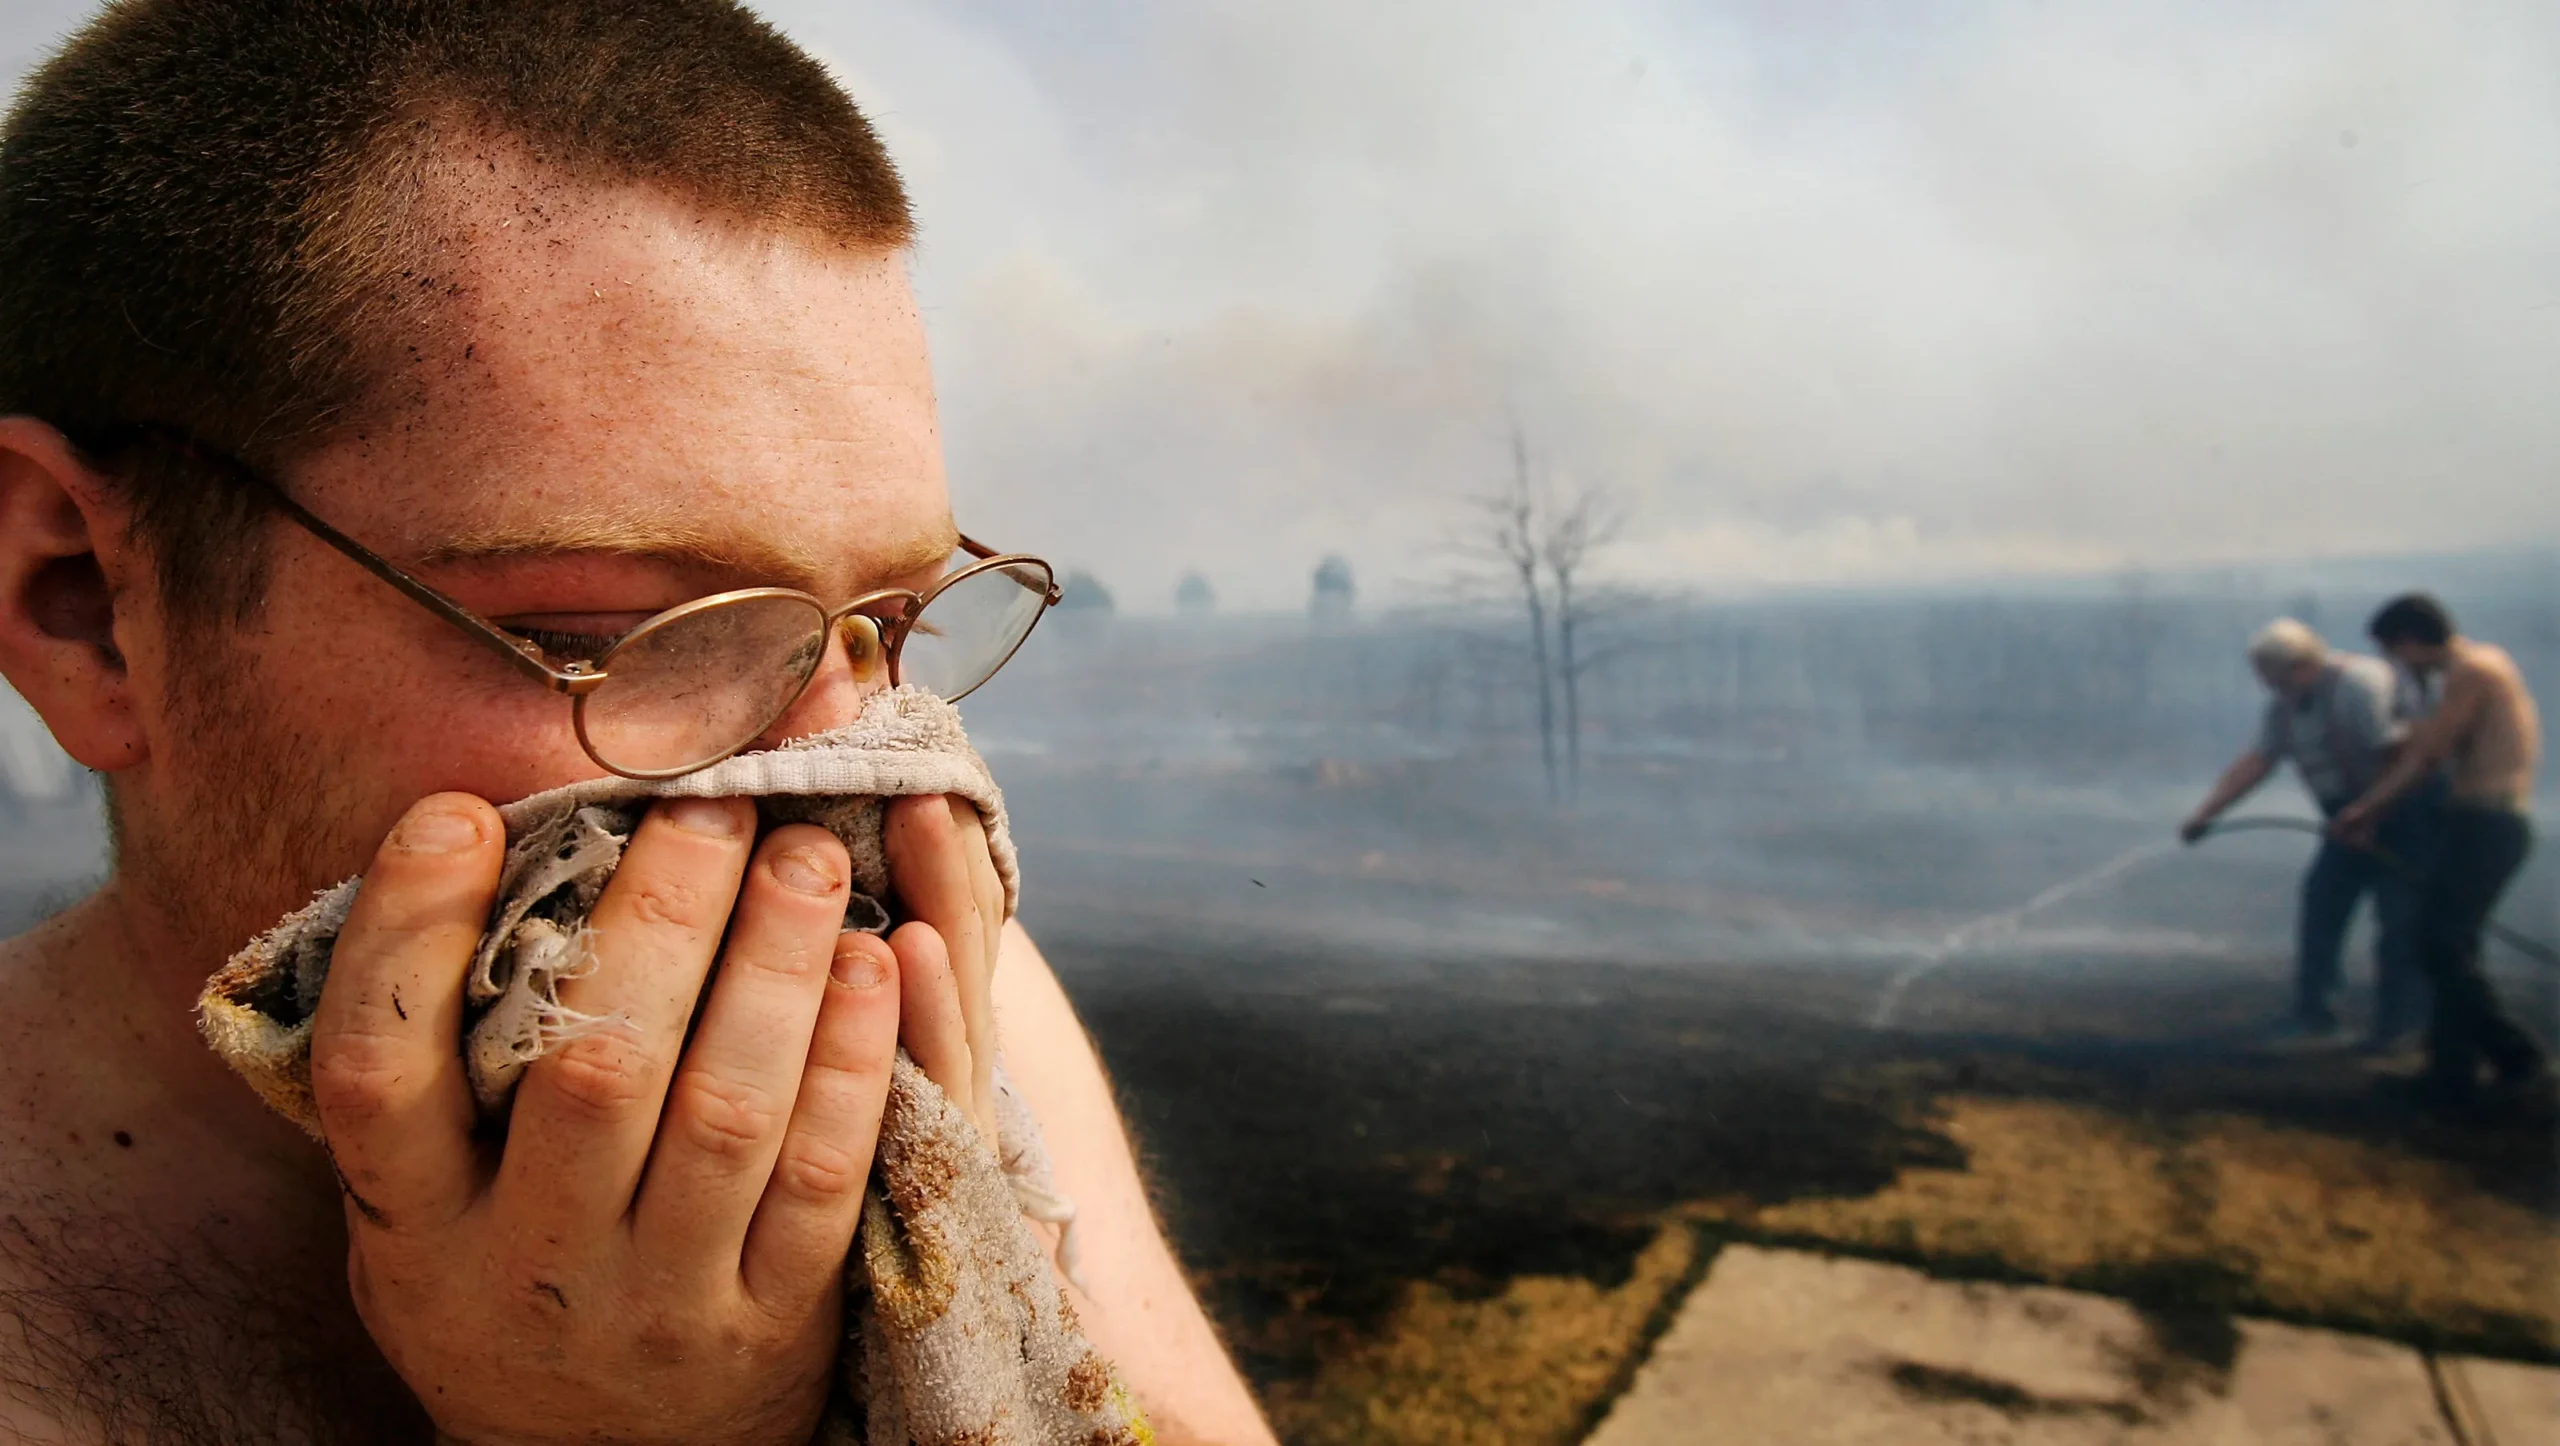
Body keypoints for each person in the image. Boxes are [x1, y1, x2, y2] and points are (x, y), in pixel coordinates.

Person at [0, 3, 1275, 1442]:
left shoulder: (922, 1002)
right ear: (86, 606)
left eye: (889, 624)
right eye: (613, 634)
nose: (833, 787)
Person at [2179, 617, 2437, 1052]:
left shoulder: (2359, 685)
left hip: (2405, 814)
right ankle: (2314, 1015)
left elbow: (2400, 757)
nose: (2266, 686)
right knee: (2322, 903)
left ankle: (2402, 1026)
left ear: (2299, 666)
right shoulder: (2285, 703)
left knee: (2400, 920)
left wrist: (2372, 815)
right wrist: (2206, 813)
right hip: (2348, 817)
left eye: (2270, 675)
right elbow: (2259, 760)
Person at [2333, 594, 2547, 1111]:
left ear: (2409, 641)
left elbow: (2428, 754)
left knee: (2440, 943)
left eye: (2393, 654)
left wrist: (2366, 809)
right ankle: (2450, 1071)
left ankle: (2512, 1052)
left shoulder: (2470, 671)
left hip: (2487, 823)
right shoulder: (2485, 666)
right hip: (2481, 821)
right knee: (2448, 945)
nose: (2395, 666)